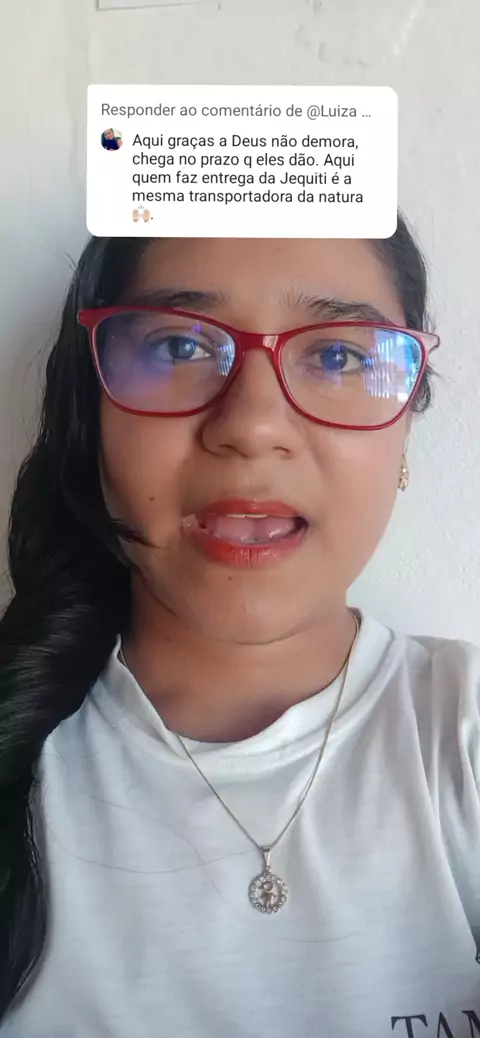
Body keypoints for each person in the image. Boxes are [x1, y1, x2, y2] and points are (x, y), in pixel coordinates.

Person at [1, 220, 480, 1038]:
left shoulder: (462, 734)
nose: (253, 424)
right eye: (179, 346)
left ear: (407, 424)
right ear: (93, 415)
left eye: (338, 356)